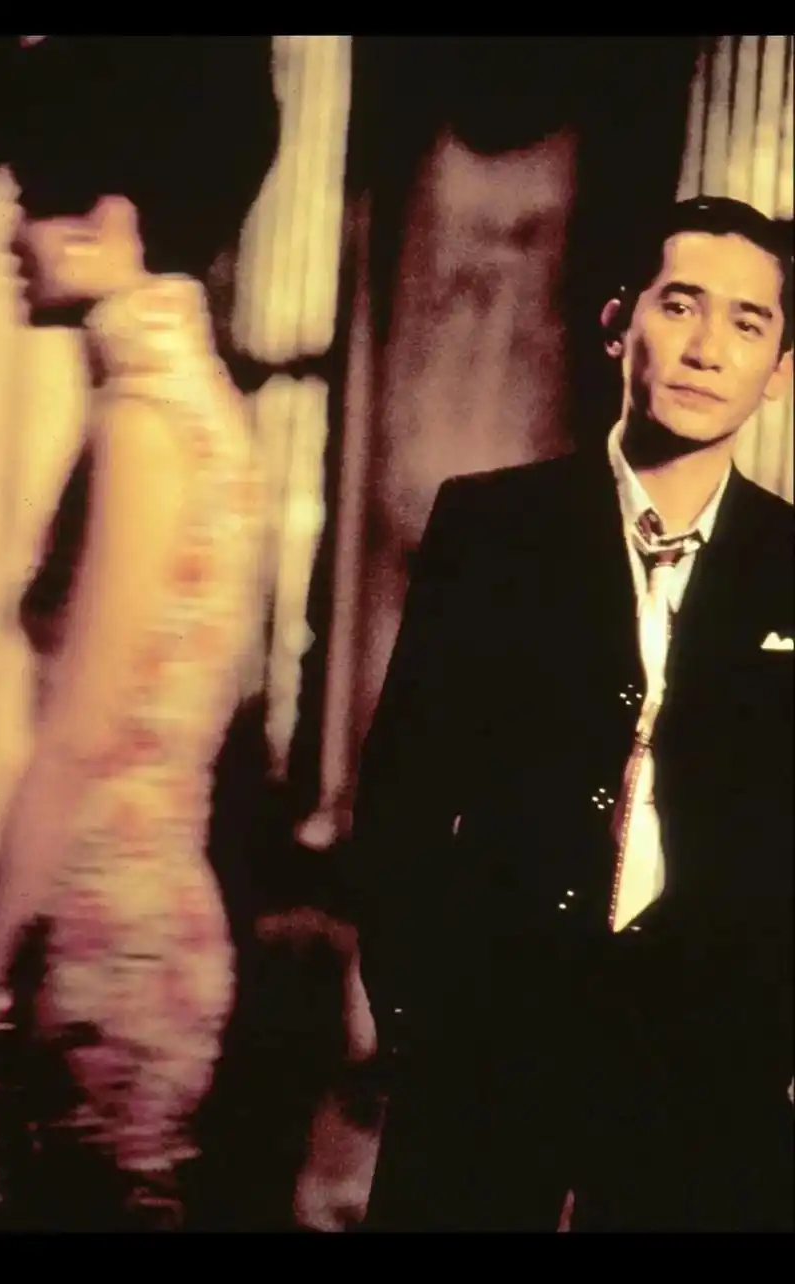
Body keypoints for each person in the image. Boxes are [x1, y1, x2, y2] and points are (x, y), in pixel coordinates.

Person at [350, 196, 793, 1232]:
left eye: (747, 324)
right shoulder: (492, 526)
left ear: (778, 370)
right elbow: (402, 796)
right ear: (615, 326)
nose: (706, 349)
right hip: (489, 1034)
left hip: (714, 1060)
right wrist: (415, 1017)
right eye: (678, 306)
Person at [0, 188, 266, 1232]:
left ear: (107, 216)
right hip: (139, 923)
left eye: (30, 203)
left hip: (104, 946)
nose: (11, 237)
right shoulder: (197, 400)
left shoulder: (146, 419)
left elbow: (81, 737)